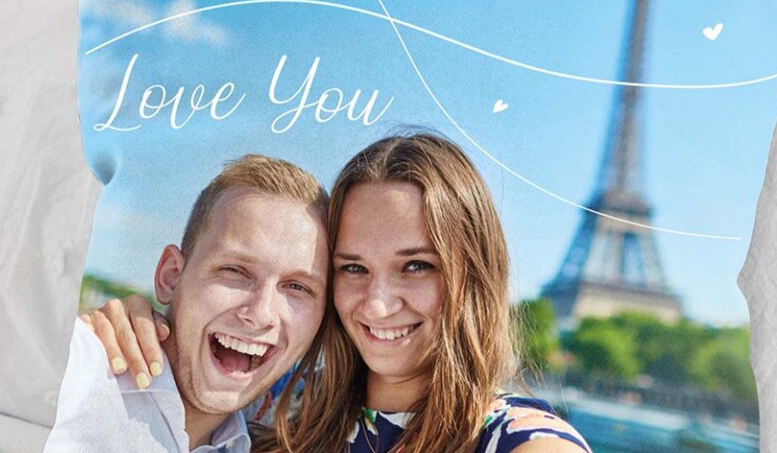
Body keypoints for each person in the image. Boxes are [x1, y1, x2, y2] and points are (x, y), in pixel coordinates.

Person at [89, 132, 590, 452]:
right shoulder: (276, 402)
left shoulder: (522, 442)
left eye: (416, 266)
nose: (377, 303)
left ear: (473, 276)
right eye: (353, 267)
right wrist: (126, 330)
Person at [47, 154, 332, 453]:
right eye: (234, 271)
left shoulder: (271, 432)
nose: (261, 314)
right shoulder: (78, 370)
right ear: (170, 277)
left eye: (297, 287)